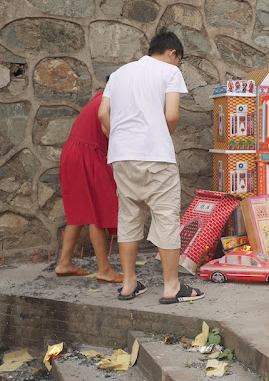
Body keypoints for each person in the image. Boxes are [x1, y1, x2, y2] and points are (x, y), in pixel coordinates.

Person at [98, 28, 204, 304]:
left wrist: (120, 138)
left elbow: (102, 113)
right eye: (178, 60)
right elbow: (171, 115)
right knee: (166, 216)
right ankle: (171, 287)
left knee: (129, 216)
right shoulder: (169, 72)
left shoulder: (119, 74)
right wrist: (157, 136)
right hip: (155, 155)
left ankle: (129, 283)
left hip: (121, 157)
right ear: (173, 53)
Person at [55, 89, 122, 284]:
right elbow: (106, 130)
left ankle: (64, 263)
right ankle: (104, 270)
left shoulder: (99, 98)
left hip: (73, 152)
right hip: (87, 154)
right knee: (97, 211)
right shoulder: (110, 101)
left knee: (80, 211)